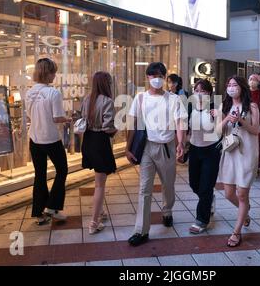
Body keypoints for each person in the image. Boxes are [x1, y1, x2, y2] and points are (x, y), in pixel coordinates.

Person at [126, 62, 187, 246]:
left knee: (168, 185)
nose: (156, 79)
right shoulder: (140, 98)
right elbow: (133, 123)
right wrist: (127, 148)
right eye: (153, 76)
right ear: (147, 78)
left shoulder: (174, 99)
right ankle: (141, 230)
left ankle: (167, 210)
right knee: (145, 189)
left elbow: (179, 123)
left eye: (160, 75)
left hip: (166, 147)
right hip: (146, 148)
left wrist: (181, 144)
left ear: (165, 77)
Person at [214, 76, 260, 247]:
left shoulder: (252, 106)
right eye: (229, 84)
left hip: (247, 153)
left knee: (242, 194)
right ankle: (245, 211)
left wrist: (241, 120)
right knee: (228, 193)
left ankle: (236, 232)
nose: (232, 88)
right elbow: (217, 132)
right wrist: (227, 118)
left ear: (242, 87)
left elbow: (256, 130)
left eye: (235, 85)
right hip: (230, 153)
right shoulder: (224, 106)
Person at [25, 58, 71, 225]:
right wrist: (68, 119)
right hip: (51, 138)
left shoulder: (29, 92)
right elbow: (57, 118)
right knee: (62, 170)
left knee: (40, 175)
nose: (55, 75)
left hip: (35, 139)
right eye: (53, 72)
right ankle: (52, 207)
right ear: (48, 73)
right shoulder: (53, 93)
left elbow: (30, 115)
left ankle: (39, 213)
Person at [81, 71, 118, 234]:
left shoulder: (87, 99)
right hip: (100, 142)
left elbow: (82, 120)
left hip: (88, 140)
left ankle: (100, 212)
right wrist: (116, 129)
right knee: (99, 185)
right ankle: (94, 223)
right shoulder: (107, 101)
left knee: (98, 181)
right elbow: (107, 127)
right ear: (106, 84)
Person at [187, 79, 221, 234]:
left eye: (204, 91)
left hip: (211, 151)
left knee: (206, 186)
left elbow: (221, 131)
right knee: (194, 184)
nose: (200, 94)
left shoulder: (215, 108)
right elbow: (184, 128)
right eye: (197, 90)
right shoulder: (189, 107)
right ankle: (208, 199)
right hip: (194, 149)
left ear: (210, 93)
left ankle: (202, 220)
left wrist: (220, 117)